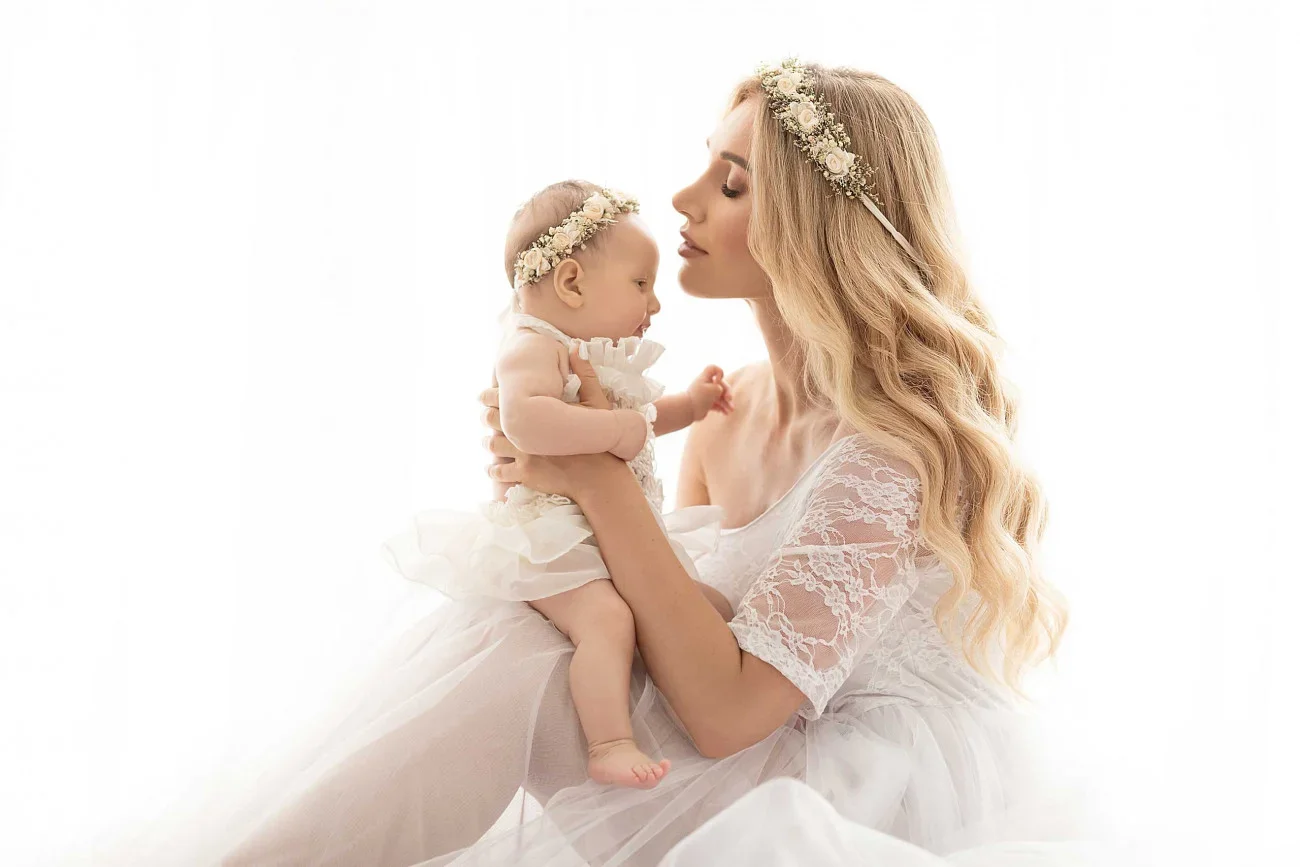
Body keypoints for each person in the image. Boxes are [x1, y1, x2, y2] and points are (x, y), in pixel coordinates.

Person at [112, 58, 1099, 866]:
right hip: (739, 734)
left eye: (730, 182)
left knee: (523, 651)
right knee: (525, 629)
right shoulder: (724, 408)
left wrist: (592, 471)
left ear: (815, 223)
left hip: (834, 795)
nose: (680, 198)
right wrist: (543, 473)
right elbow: (663, 613)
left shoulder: (884, 458)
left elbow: (724, 715)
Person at [382, 181, 732, 790]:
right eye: (641, 284)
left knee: (710, 609)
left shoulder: (590, 352)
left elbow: (645, 419)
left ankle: (716, 686)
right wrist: (614, 426)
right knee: (606, 620)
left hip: (603, 532)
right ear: (571, 283)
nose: (656, 303)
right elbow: (525, 420)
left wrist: (694, 405)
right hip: (550, 541)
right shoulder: (530, 346)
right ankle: (610, 742)